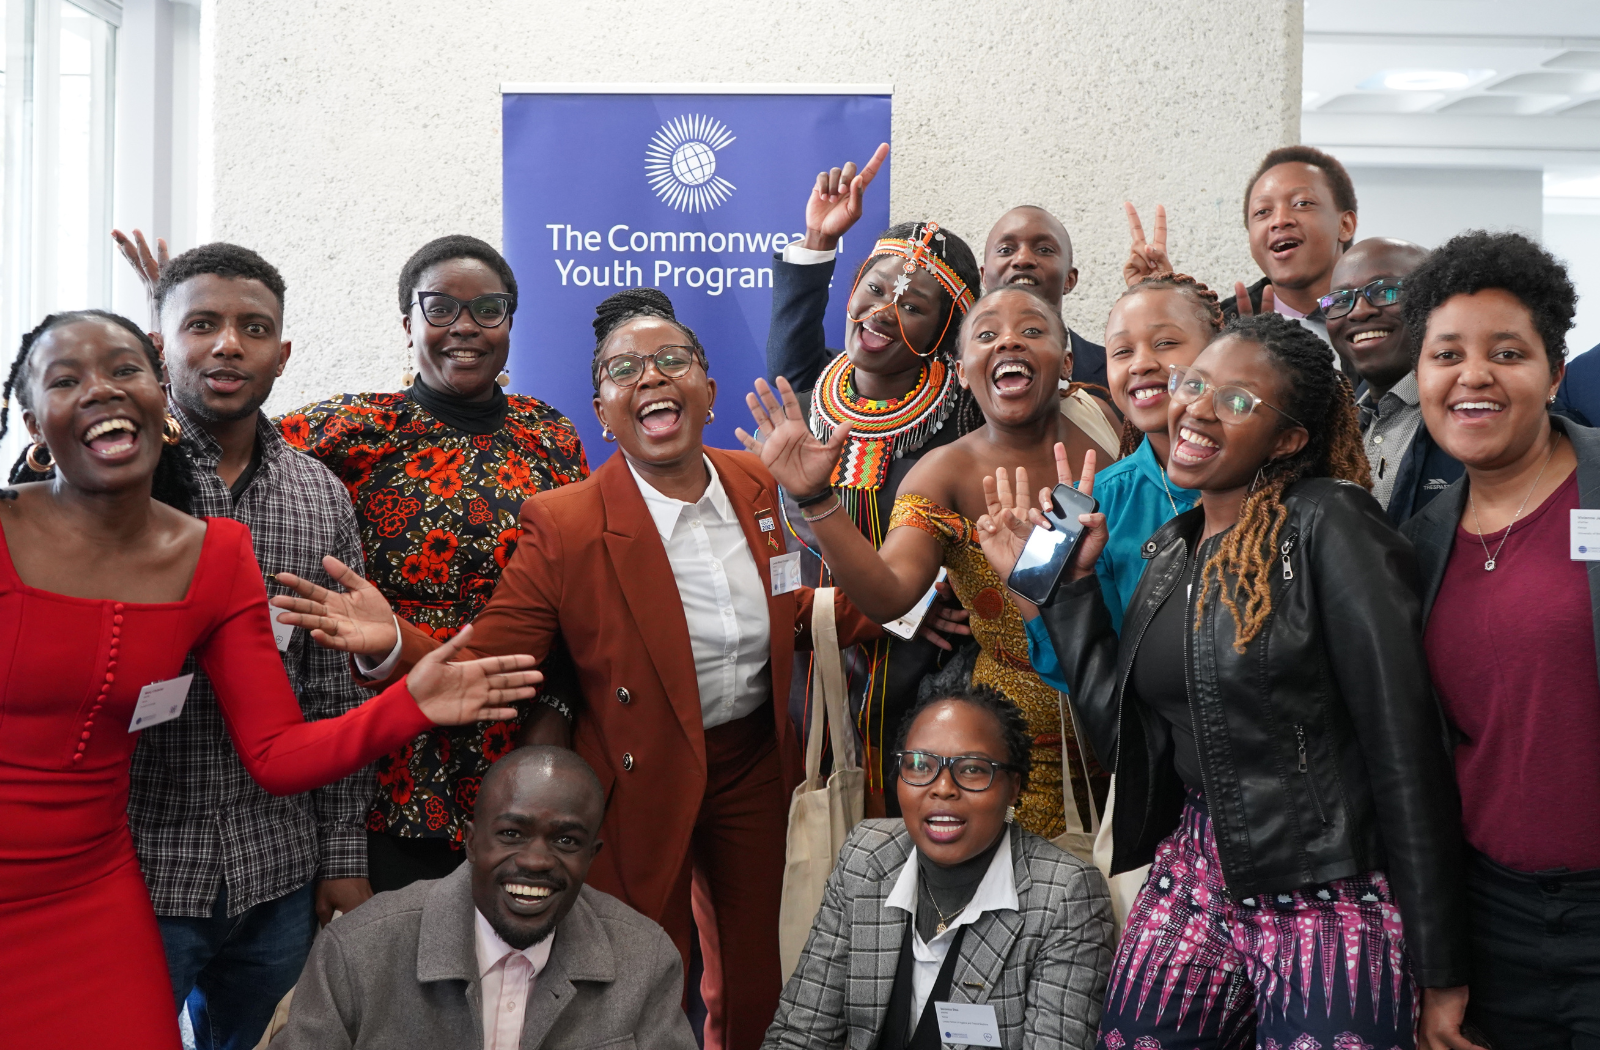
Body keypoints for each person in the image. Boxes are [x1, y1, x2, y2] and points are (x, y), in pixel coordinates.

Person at [274, 288, 880, 1050]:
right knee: (632, 972)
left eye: (672, 360)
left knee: (765, 971)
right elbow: (492, 661)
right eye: (625, 369)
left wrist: (918, 605)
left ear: (708, 389)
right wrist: (392, 640)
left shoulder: (758, 483)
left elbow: (813, 600)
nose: (651, 378)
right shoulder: (563, 522)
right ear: (602, 411)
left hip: (754, 763)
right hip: (636, 774)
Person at [0, 310, 542, 1050]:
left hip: (95, 891)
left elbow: (277, 753)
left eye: (124, 371)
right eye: (67, 380)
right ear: (33, 421)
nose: (101, 390)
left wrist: (411, 702)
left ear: (160, 395)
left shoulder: (216, 555)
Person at [983, 313, 1468, 1048]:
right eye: (1195, 385)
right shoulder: (1169, 553)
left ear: (1289, 440)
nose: (1198, 410)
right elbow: (1126, 744)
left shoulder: (1331, 523)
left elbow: (1408, 750)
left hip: (1328, 884)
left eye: (1238, 402)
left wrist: (1441, 967)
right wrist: (1070, 591)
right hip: (1196, 870)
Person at [116, 242, 378, 1049]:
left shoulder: (318, 494)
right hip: (132, 870)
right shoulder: (114, 474)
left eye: (253, 328)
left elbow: (336, 691)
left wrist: (343, 855)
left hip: (277, 872)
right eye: (201, 324)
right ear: (159, 344)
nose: (228, 344)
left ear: (283, 352)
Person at [741, 285, 1116, 843]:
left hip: (1122, 723)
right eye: (986, 334)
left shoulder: (1112, 430)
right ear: (963, 371)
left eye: (1032, 331)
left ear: (1066, 363)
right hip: (1019, 749)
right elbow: (890, 593)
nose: (1008, 339)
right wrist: (819, 500)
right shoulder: (942, 473)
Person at [278, 235, 589, 891]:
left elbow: (575, 595)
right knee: (395, 973)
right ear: (407, 324)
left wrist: (556, 716)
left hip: (512, 742)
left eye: (489, 309)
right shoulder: (356, 427)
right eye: (441, 308)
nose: (465, 327)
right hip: (393, 745)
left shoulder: (551, 435)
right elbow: (222, 451)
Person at [1399, 230, 1600, 1048]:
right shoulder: (1414, 545)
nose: (1472, 375)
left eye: (1506, 352)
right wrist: (1442, 964)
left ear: (1554, 372)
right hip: (1495, 922)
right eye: (1446, 354)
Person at [765, 143, 978, 812]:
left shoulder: (962, 414)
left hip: (918, 656)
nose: (884, 309)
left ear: (946, 332)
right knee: (806, 809)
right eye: (876, 288)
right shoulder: (807, 388)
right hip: (807, 648)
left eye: (913, 305)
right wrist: (819, 240)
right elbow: (792, 328)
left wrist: (919, 606)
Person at [276, 746, 698, 1050]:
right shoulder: (356, 952)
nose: (535, 860)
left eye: (566, 840)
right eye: (511, 834)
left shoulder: (646, 959)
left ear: (592, 857)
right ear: (472, 842)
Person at [763, 685, 1114, 1049]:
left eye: (973, 769)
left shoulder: (1065, 899)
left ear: (1013, 788)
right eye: (920, 765)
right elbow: (799, 1034)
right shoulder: (864, 858)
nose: (943, 788)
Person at [1326, 237, 1463, 525]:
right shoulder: (1329, 428)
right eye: (1340, 300)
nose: (1359, 311)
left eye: (1387, 292)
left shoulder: (1473, 416)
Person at [981, 204, 1110, 393]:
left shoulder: (1115, 369)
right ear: (984, 277)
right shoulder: (949, 382)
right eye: (1006, 250)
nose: (1023, 259)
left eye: (1044, 250)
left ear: (1069, 278)